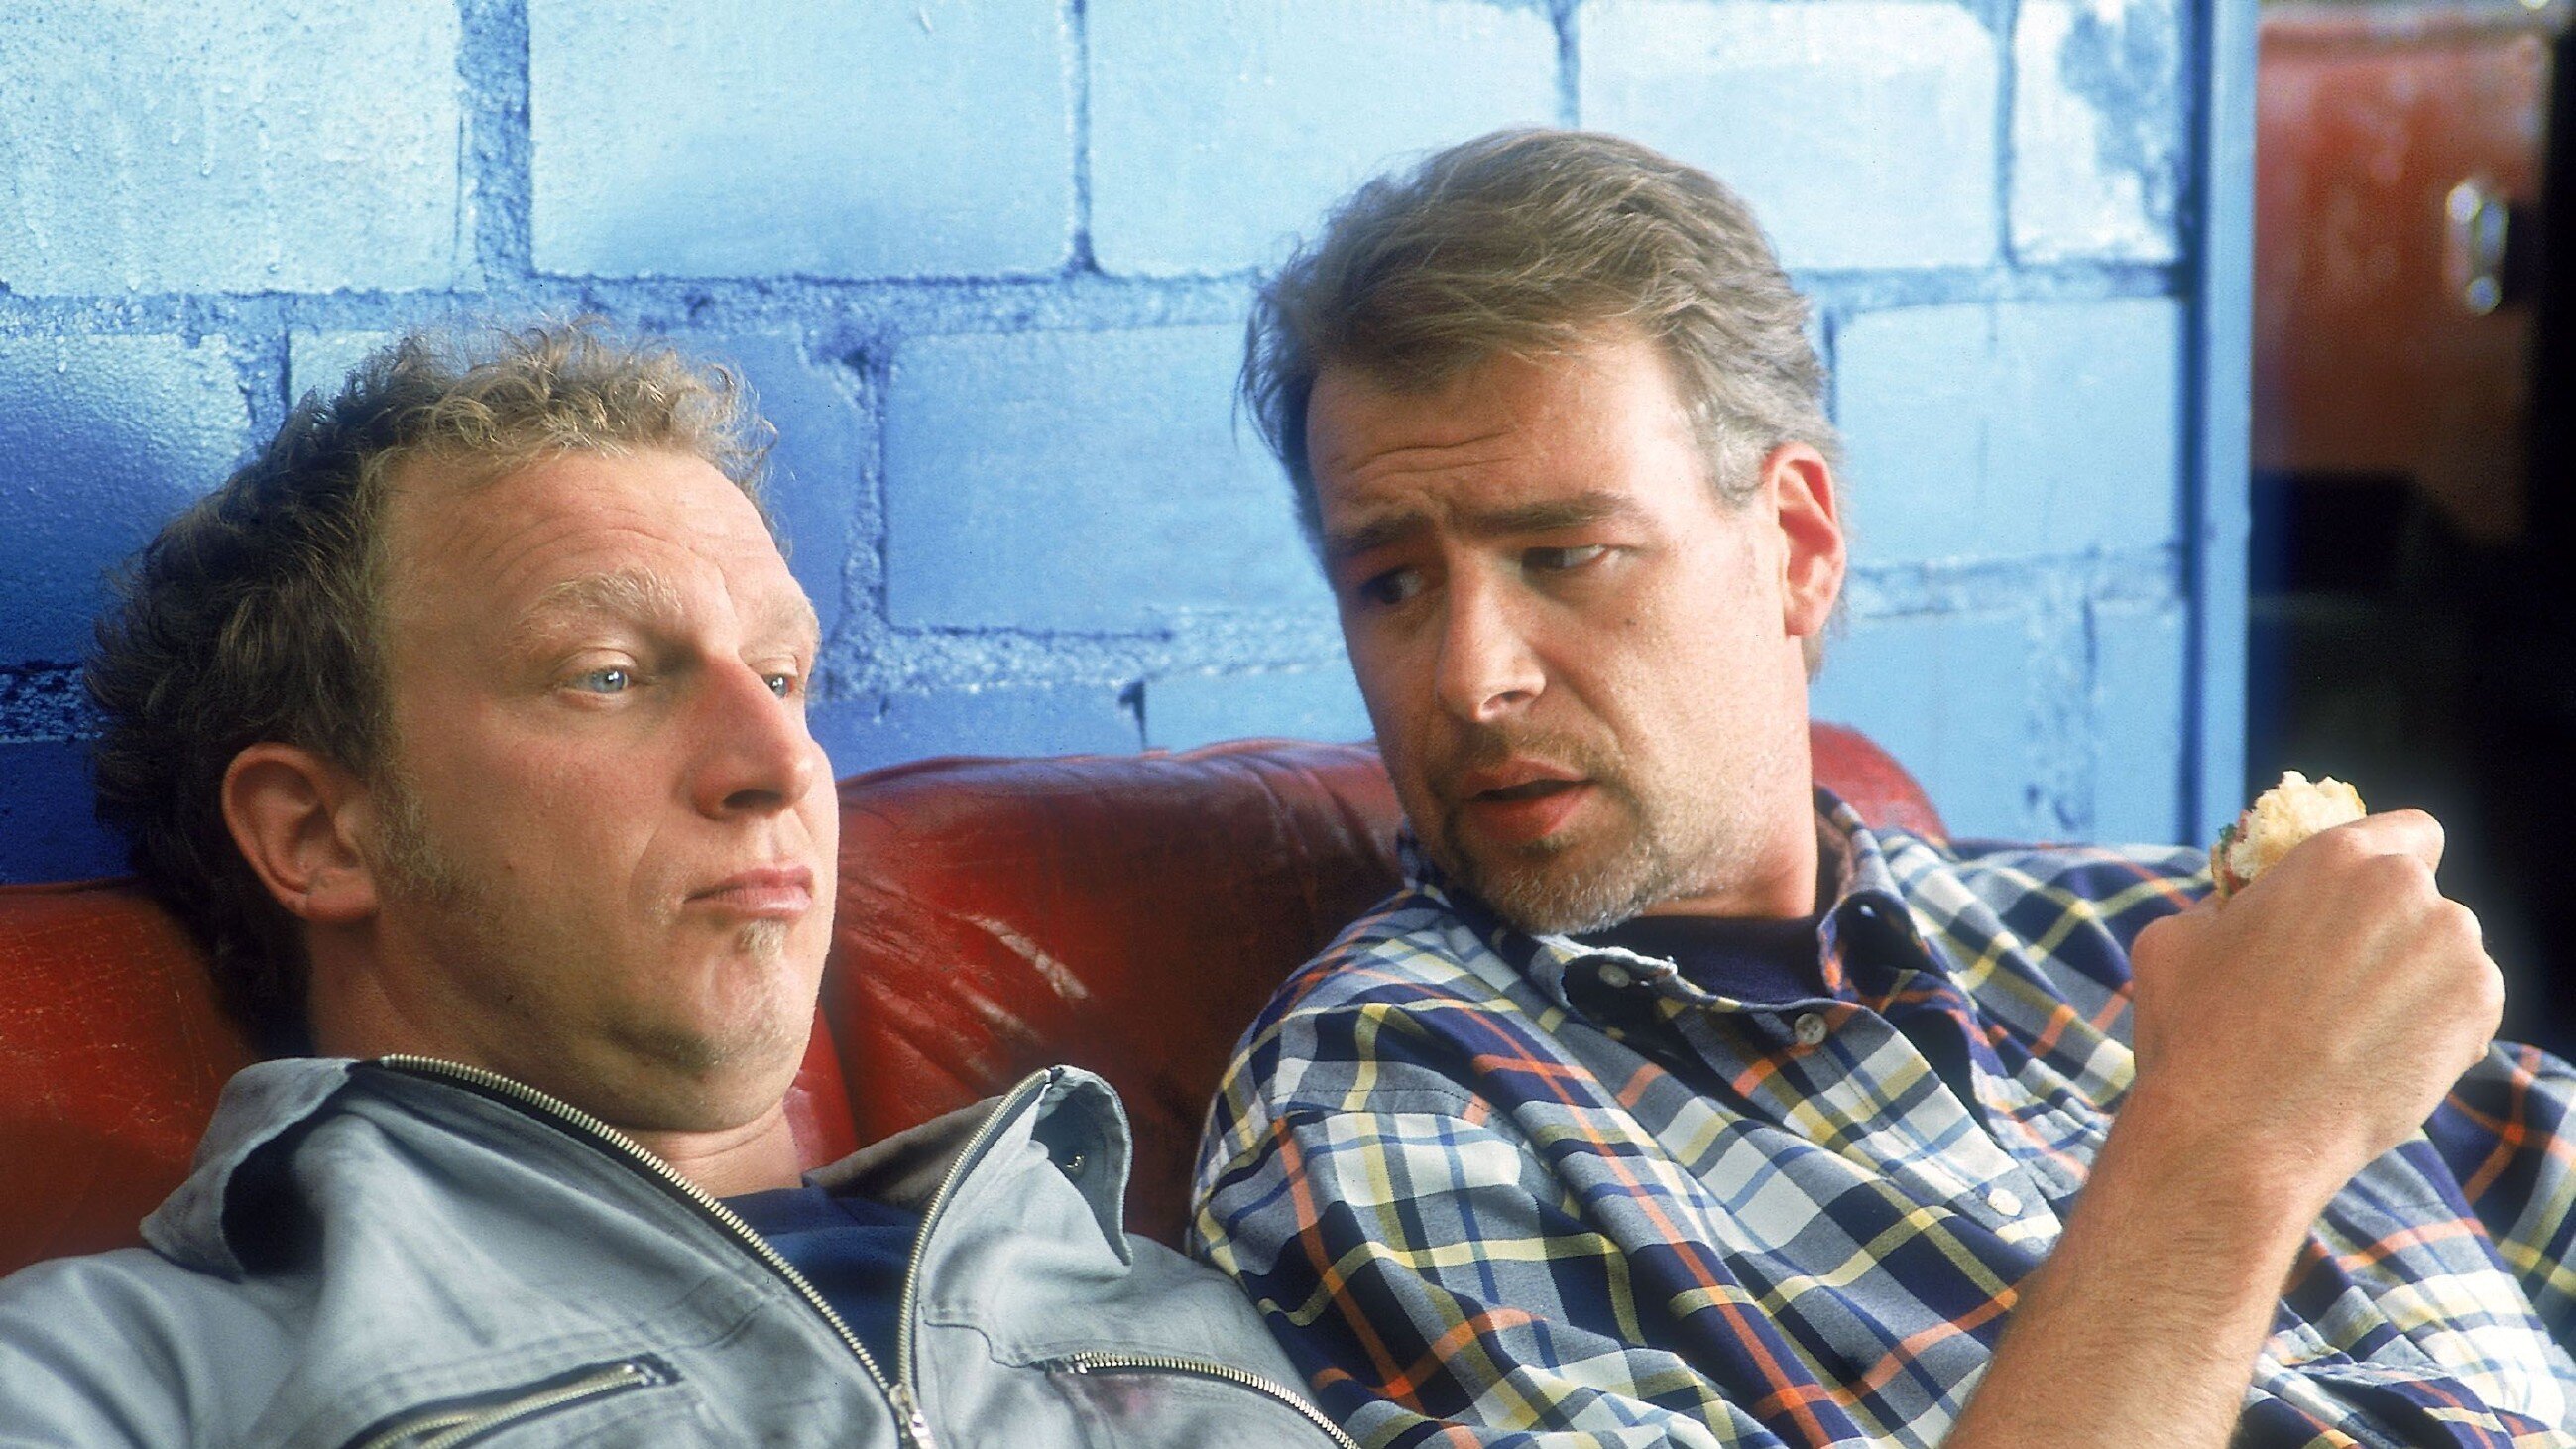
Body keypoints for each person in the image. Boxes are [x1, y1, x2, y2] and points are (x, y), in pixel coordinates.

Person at [1190, 128, 2576, 1447]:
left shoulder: (2143, 936)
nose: (1468, 677)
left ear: (1795, 548)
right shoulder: (1385, 1096)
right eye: (1392, 583)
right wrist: (2227, 1146)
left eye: (1563, 555)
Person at [0, 322, 1350, 1448]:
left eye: (781, 675)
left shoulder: (1153, 1298)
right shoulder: (136, 1377)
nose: (783, 763)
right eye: (606, 674)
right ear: (317, 835)